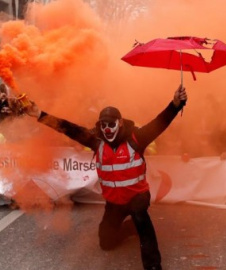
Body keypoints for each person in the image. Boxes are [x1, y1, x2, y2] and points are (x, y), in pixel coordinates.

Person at [24, 84, 188, 270]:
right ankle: (129, 229)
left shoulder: (137, 138)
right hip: (114, 203)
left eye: (111, 124)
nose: (107, 129)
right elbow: (67, 128)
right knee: (106, 243)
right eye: (103, 125)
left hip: (137, 196)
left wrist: (175, 104)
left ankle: (153, 265)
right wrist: (39, 114)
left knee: (141, 218)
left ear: (119, 122)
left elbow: (160, 122)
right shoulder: (96, 140)